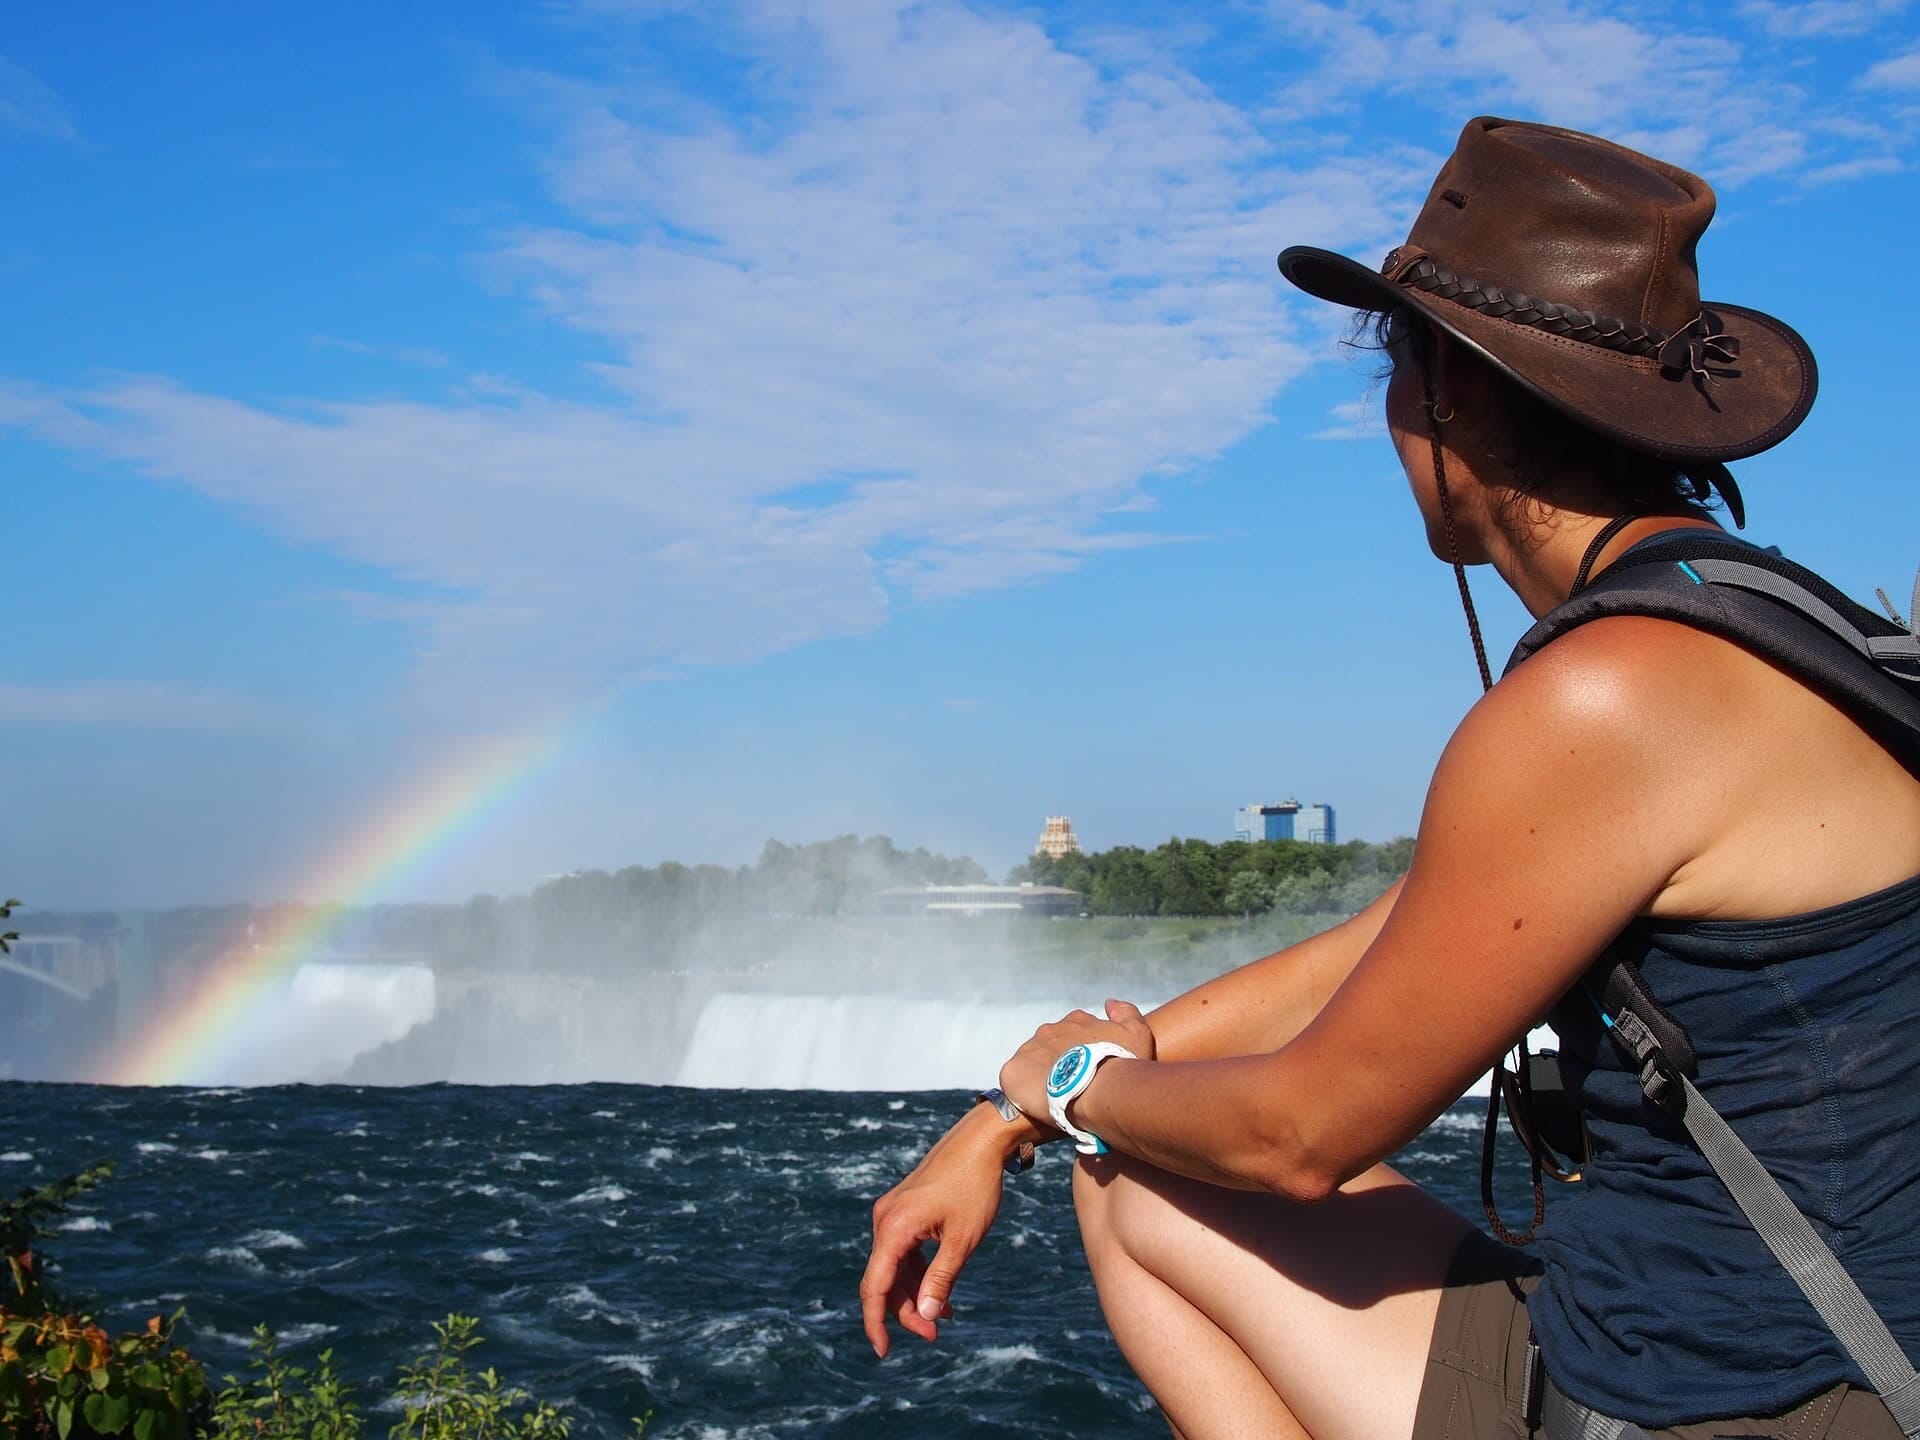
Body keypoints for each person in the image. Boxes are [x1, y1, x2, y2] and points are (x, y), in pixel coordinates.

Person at [860, 116, 1920, 1439]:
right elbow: (1362, 955)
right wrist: (998, 1117)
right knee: (1121, 1153)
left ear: (1448, 394)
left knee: (1134, 1179)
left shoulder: (1608, 696)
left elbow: (1300, 1136)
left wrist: (1078, 1092)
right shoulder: (1768, 616)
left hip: (1745, 1399)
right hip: (1826, 1357)